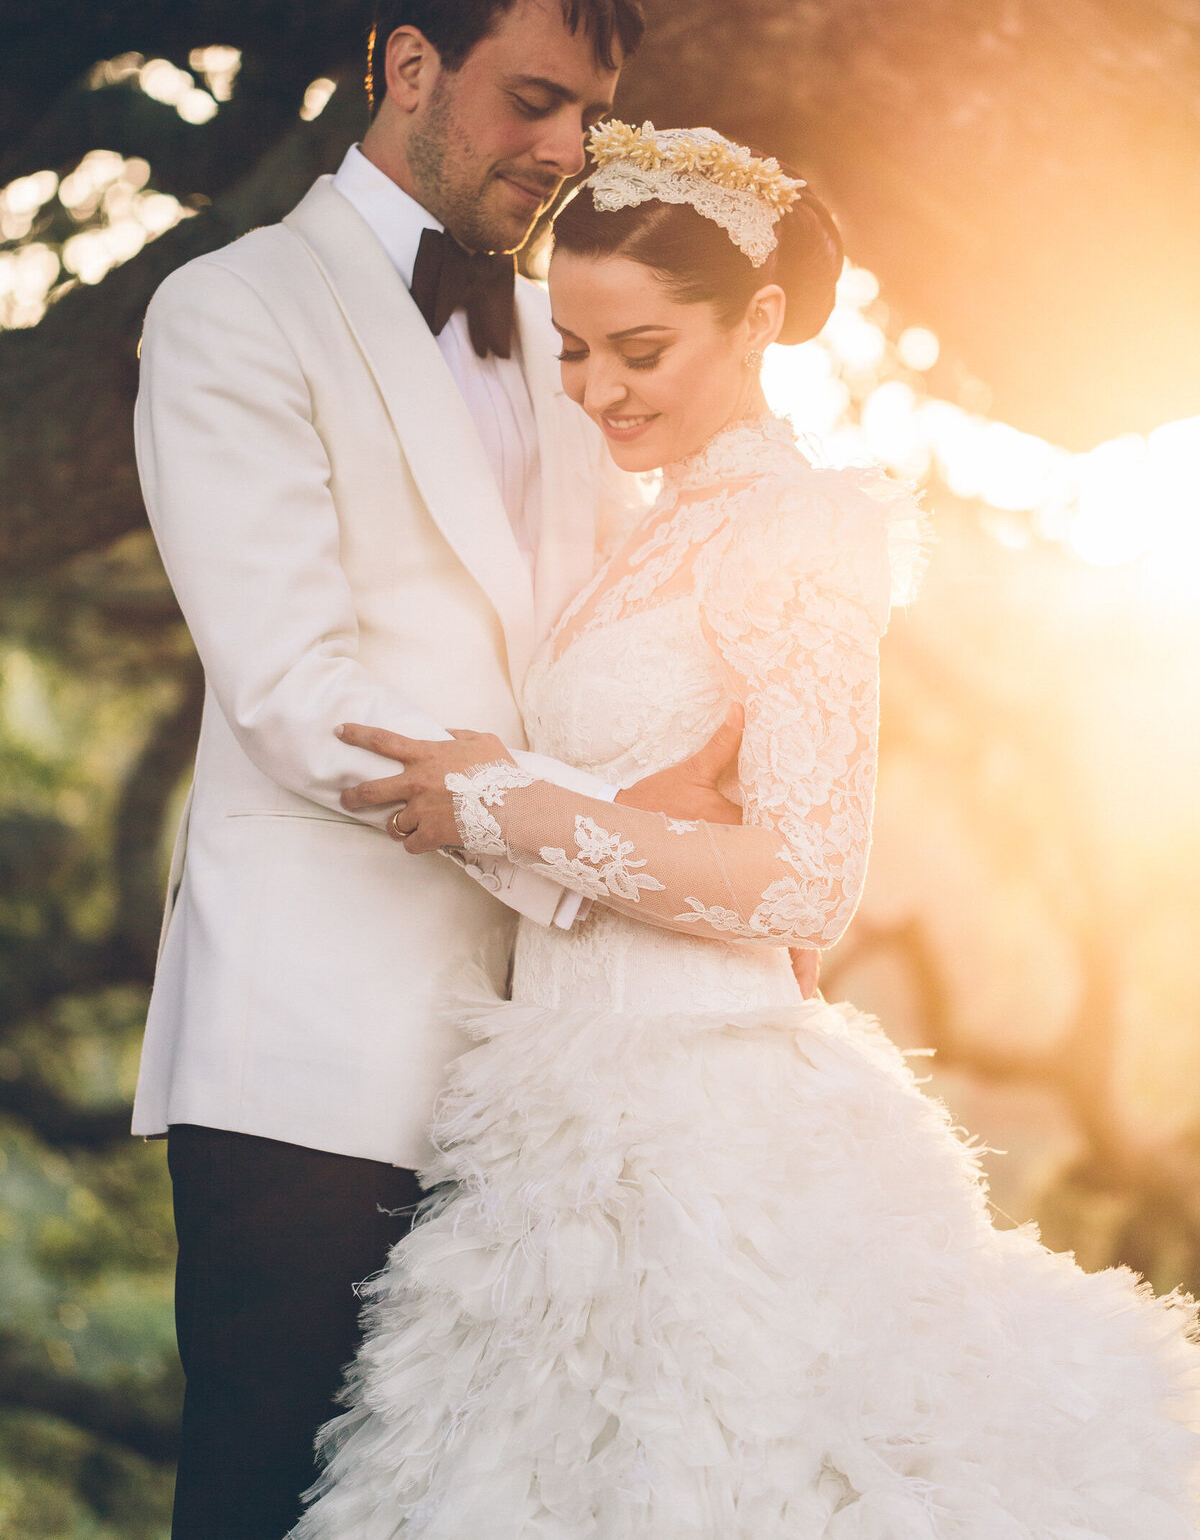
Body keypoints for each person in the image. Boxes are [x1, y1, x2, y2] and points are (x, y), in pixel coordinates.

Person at [296, 122, 1200, 1538]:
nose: (597, 390)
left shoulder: (803, 529)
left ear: (760, 320)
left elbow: (806, 876)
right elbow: (628, 786)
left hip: (705, 1109)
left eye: (639, 352)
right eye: (575, 351)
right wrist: (499, 786)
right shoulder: (649, 532)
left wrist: (508, 798)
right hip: (563, 1105)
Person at [133, 0, 741, 1540]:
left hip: (548, 1069)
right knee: (271, 1498)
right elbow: (290, 690)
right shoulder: (232, 311)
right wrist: (574, 834)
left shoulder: (569, 346)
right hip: (312, 1053)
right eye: (532, 98)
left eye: (588, 115)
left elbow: (633, 636)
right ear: (413, 67)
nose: (565, 148)